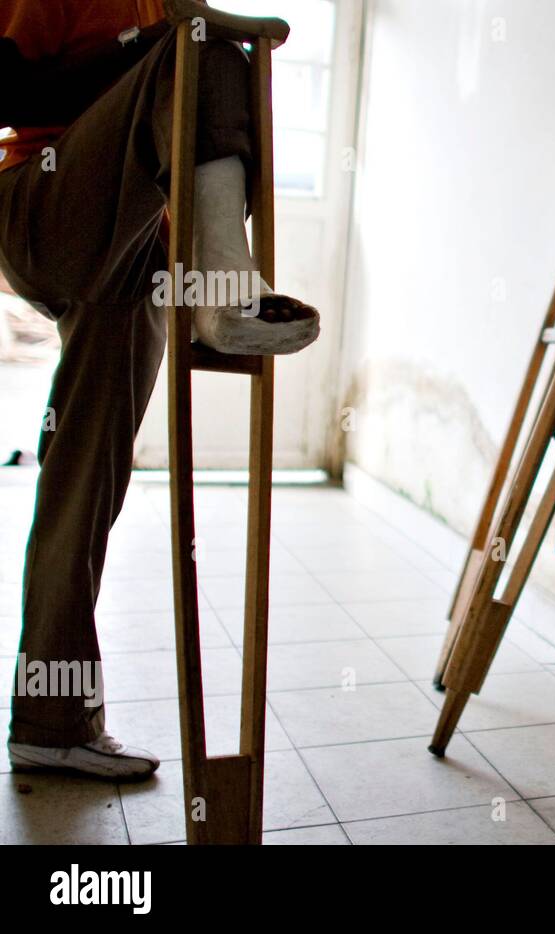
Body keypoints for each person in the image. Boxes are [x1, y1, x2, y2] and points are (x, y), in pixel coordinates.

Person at [2, 0, 319, 780]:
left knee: (86, 477)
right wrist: (148, 43)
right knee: (203, 47)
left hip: (136, 244)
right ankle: (224, 288)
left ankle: (52, 720)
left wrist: (169, 36)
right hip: (42, 204)